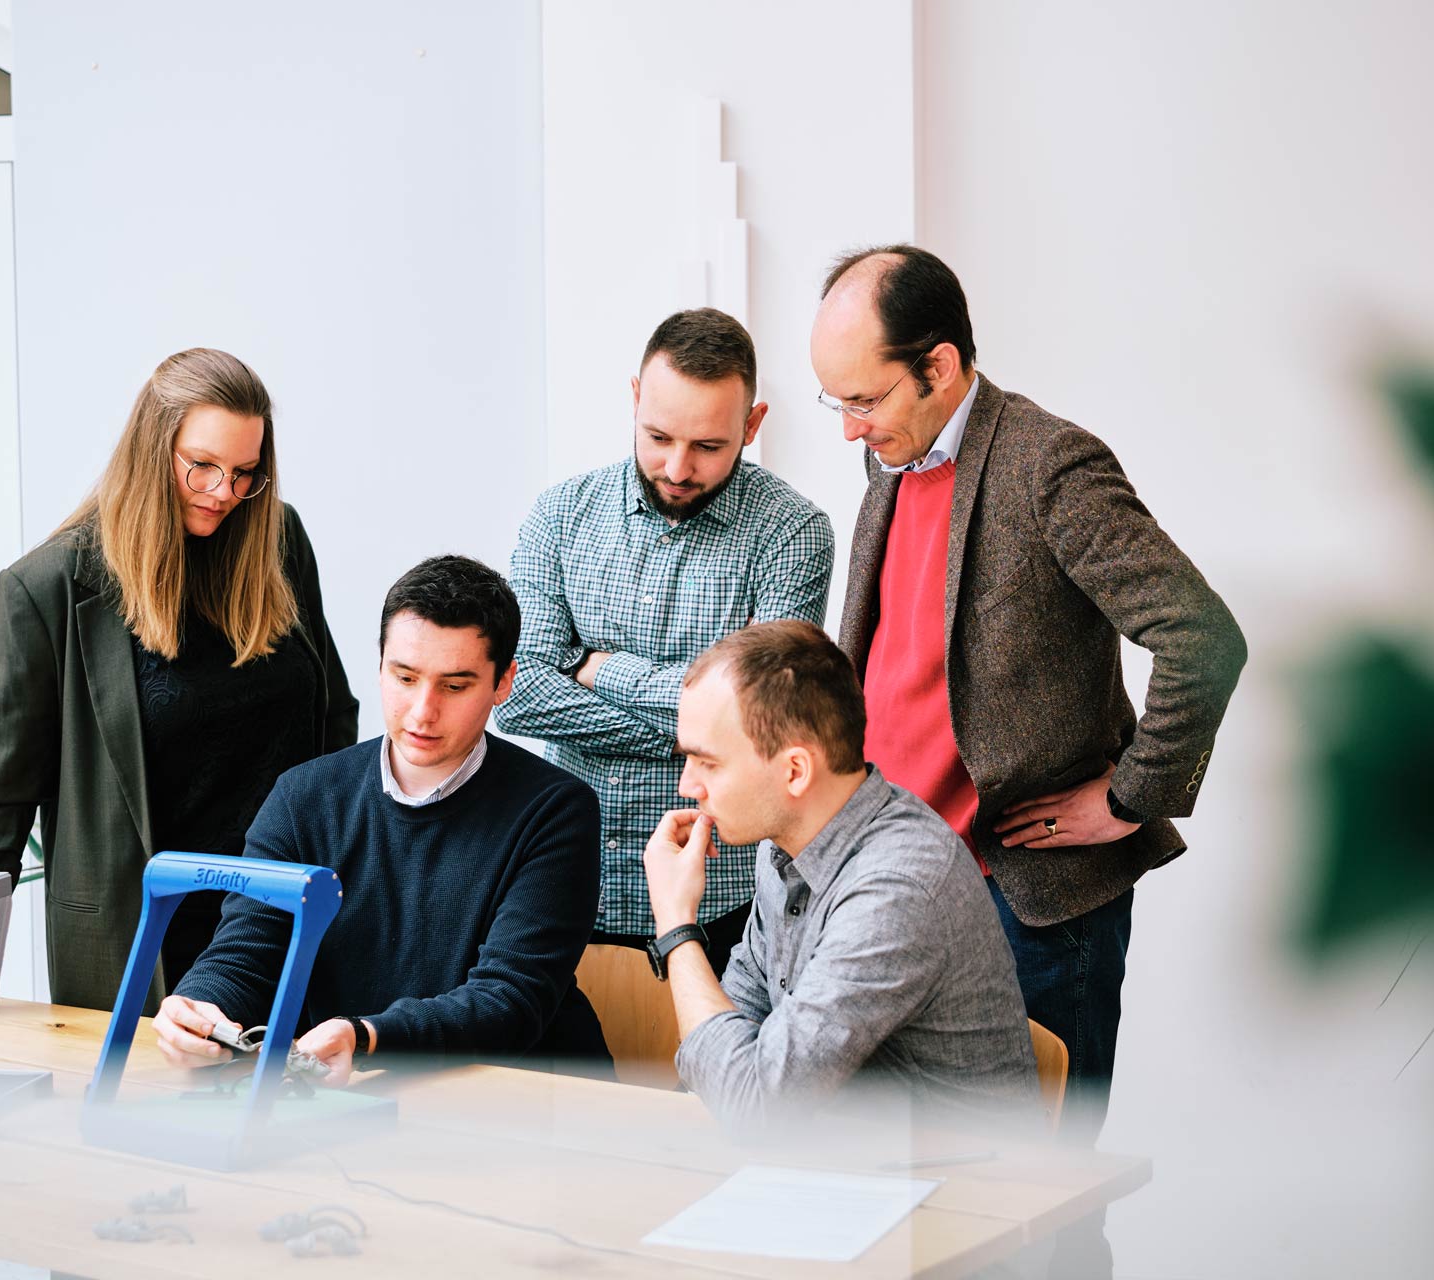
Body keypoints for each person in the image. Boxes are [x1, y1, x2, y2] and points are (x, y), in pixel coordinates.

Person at [814, 246, 1247, 1275]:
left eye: (865, 398)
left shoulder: (1050, 462)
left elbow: (1202, 634)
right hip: (899, 891)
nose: (848, 429)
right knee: (907, 1196)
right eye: (835, 402)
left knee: (1035, 1208)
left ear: (943, 365)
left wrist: (1132, 797)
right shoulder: (889, 463)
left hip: (1032, 905)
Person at [0, 348, 357, 1017]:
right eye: (202, 466)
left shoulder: (279, 541)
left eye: (245, 473)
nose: (224, 492)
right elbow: (3, 786)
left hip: (287, 920)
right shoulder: (49, 588)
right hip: (145, 949)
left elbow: (331, 714)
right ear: (152, 447)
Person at [154, 556, 607, 1079]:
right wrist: (197, 1009)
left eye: (454, 686)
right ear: (380, 664)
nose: (421, 711)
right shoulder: (304, 796)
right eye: (405, 677)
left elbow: (510, 1001)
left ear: (503, 682)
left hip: (525, 1101)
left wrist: (368, 1036)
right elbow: (248, 951)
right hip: (354, 1094)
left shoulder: (554, 809)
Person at [497, 308, 834, 975]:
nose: (677, 467)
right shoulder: (559, 516)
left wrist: (601, 668)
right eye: (658, 437)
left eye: (708, 446)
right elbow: (518, 696)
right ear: (634, 399)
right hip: (565, 886)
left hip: (724, 906)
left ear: (753, 424)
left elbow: (757, 726)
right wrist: (702, 727)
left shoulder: (793, 535)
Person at [642, 620, 1040, 1129]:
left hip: (951, 1188)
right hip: (838, 1161)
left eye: (707, 763)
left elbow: (757, 1108)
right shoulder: (784, 843)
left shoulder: (898, 887)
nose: (686, 786)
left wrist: (677, 928)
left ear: (795, 771)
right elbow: (736, 1024)